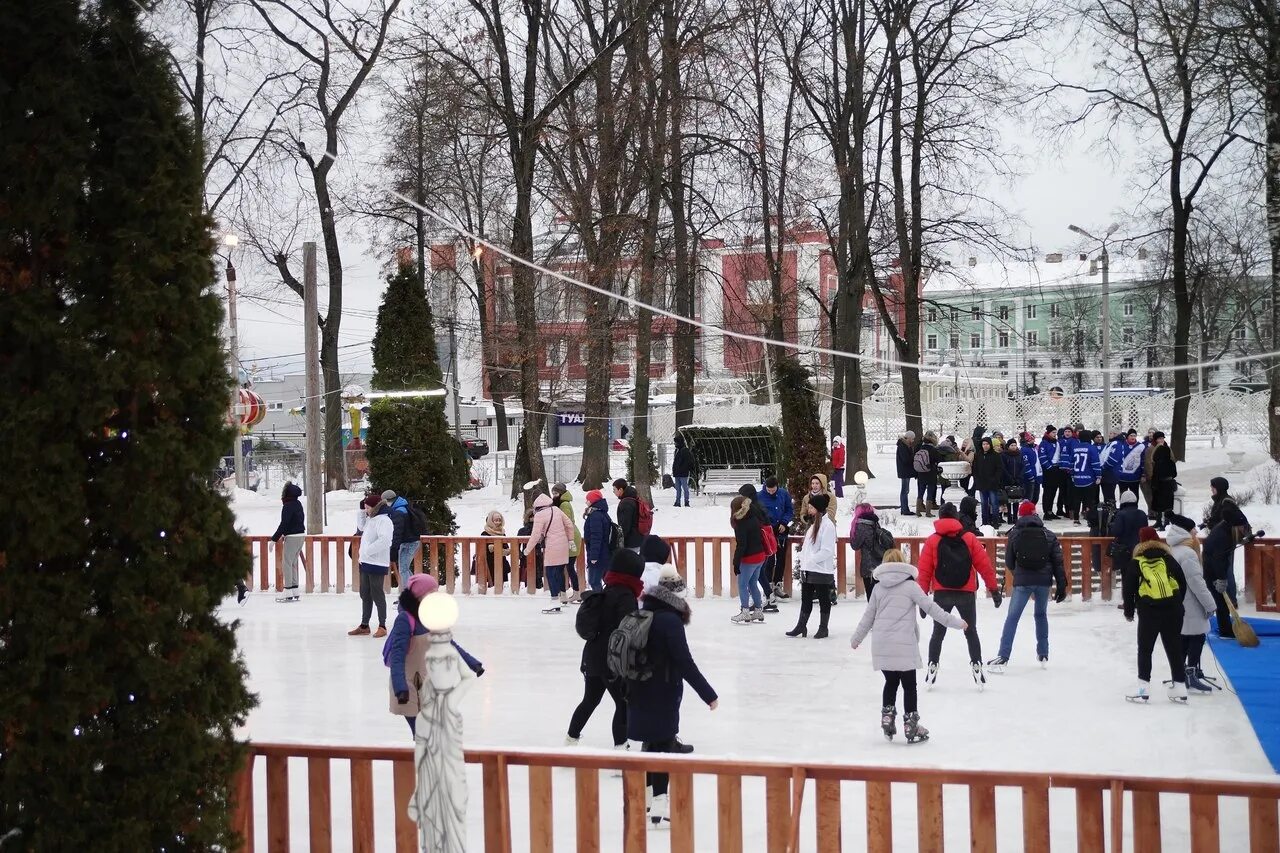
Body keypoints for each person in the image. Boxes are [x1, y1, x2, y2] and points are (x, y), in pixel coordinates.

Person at [627, 566, 718, 827]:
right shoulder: (670, 621)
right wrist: (708, 694)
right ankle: (658, 804)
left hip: (638, 688)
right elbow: (683, 662)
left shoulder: (642, 612)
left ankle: (646, 801)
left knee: (650, 744)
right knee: (663, 746)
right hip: (662, 691)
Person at [850, 548, 968, 743]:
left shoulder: (878, 589)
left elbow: (868, 617)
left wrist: (856, 639)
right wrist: (956, 622)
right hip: (904, 644)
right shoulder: (911, 587)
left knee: (891, 682)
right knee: (909, 685)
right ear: (902, 563)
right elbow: (932, 609)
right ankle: (911, 725)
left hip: (883, 645)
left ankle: (887, 718)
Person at [387, 573, 484, 736]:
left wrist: (472, 663)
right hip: (407, 687)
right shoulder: (405, 620)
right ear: (419, 596)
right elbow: (397, 656)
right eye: (432, 593)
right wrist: (400, 687)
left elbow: (450, 644)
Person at [916, 504, 1001, 687]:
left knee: (938, 633)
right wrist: (993, 589)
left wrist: (922, 599)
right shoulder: (969, 538)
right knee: (971, 631)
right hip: (966, 593)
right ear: (956, 518)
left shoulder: (933, 541)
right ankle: (977, 665)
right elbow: (984, 566)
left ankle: (933, 665)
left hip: (942, 592)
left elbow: (924, 571)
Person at [566, 549, 643, 749]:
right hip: (612, 661)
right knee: (623, 703)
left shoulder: (605, 590)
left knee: (590, 700)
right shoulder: (626, 596)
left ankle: (570, 739)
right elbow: (628, 631)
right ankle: (620, 748)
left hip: (592, 657)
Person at [987, 501, 1067, 672]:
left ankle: (1004, 655)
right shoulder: (1049, 535)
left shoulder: (1015, 534)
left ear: (1021, 515)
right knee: (1040, 615)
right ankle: (1043, 652)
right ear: (1035, 514)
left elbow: (1009, 561)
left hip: (1023, 581)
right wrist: (1061, 585)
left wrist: (1019, 574)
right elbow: (1058, 562)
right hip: (1044, 582)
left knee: (1013, 617)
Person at [1124, 527, 1189, 702]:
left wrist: (1129, 612)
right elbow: (1182, 582)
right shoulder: (1168, 558)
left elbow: (1128, 590)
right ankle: (1180, 688)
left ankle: (1143, 689)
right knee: (1174, 647)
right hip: (1173, 609)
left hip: (1149, 610)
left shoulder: (1136, 561)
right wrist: (1177, 602)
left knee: (1145, 649)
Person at [1164, 514, 1220, 693]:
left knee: (1183, 639)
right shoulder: (1188, 553)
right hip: (1190, 602)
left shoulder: (1172, 549)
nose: (1196, 531)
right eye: (1193, 528)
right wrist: (1210, 604)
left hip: (1177, 601)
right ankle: (1190, 674)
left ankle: (1179, 675)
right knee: (1197, 636)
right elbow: (1196, 582)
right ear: (1186, 531)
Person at [1201, 477, 1250, 638]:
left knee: (1226, 573)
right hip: (1214, 552)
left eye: (1213, 487)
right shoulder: (1221, 506)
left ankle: (1230, 601)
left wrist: (1221, 579)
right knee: (1219, 584)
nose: (1211, 490)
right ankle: (1223, 622)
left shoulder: (1226, 503)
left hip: (1219, 550)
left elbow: (1236, 519)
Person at [786, 493, 837, 638]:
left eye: (811, 507)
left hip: (820, 569)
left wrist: (812, 560)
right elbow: (808, 547)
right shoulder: (814, 524)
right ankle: (801, 626)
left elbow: (827, 550)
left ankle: (823, 628)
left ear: (818, 509)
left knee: (823, 599)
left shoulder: (828, 526)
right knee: (806, 599)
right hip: (808, 569)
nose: (808, 509)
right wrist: (804, 560)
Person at [525, 492, 579, 611]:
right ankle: (561, 597)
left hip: (552, 546)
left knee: (550, 572)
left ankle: (554, 600)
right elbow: (569, 525)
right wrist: (570, 540)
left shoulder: (539, 515)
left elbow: (535, 535)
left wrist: (528, 549)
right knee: (559, 571)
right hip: (564, 545)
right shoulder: (556, 509)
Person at [350, 496, 393, 637]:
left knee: (377, 593)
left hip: (377, 562)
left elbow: (385, 540)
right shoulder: (371, 519)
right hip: (366, 562)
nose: (366, 510)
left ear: (375, 507)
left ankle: (382, 625)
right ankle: (364, 625)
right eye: (365, 508)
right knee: (365, 593)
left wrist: (368, 551)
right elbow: (361, 527)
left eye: (368, 507)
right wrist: (362, 510)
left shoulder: (384, 520)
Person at [730, 494, 769, 623]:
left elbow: (742, 545)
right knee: (753, 583)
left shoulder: (740, 523)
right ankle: (758, 611)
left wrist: (736, 563)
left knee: (742, 585)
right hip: (760, 556)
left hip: (749, 558)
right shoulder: (753, 517)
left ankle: (745, 611)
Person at [757, 476, 795, 604]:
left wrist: (784, 523)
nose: (771, 492)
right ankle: (767, 587)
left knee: (781, 558)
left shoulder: (783, 494)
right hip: (768, 533)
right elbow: (758, 514)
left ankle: (778, 585)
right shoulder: (759, 496)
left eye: (773, 490)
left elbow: (790, 510)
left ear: (777, 487)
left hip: (781, 532)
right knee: (769, 560)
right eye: (769, 490)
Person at [271, 482, 307, 602]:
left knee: (287, 563)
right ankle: (295, 589)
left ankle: (287, 590)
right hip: (301, 535)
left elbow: (284, 524)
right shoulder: (298, 504)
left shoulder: (287, 506)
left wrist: (274, 538)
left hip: (292, 537)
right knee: (293, 562)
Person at [850, 502, 891, 599]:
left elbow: (855, 545)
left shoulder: (861, 526)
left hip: (869, 567)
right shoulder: (874, 522)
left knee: (872, 598)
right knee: (882, 597)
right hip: (881, 564)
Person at [1109, 491, 1149, 592]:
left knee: (1127, 576)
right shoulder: (1142, 514)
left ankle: (1128, 601)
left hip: (1125, 550)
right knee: (1140, 574)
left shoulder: (1121, 514)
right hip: (1140, 549)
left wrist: (1111, 526)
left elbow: (1116, 531)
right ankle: (1140, 598)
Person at [553, 483, 584, 597]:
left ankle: (564, 594)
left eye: (556, 493)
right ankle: (575, 592)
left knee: (561, 568)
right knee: (568, 567)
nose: (554, 495)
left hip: (569, 538)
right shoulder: (564, 503)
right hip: (570, 537)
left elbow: (566, 523)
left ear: (561, 493)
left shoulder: (564, 504)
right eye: (553, 493)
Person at [582, 489, 613, 592]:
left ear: (593, 501)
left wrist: (593, 556)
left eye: (588, 499)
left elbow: (596, 537)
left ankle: (600, 603)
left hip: (598, 554)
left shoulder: (595, 516)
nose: (586, 501)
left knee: (594, 581)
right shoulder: (602, 513)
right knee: (601, 580)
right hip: (604, 553)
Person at [1068, 429, 1102, 525]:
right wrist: (1098, 476)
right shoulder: (1092, 448)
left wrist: (1072, 474)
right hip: (1089, 479)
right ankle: (1089, 519)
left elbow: (1071, 463)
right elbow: (1095, 463)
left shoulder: (1075, 448)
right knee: (1089, 500)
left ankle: (1076, 519)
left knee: (1077, 499)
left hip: (1077, 479)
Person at [383, 489, 417, 580]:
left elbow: (397, 533)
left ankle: (410, 592)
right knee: (405, 568)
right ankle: (415, 588)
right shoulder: (402, 506)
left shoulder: (399, 512)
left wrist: (393, 550)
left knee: (403, 570)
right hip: (410, 541)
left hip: (408, 542)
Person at [474, 510, 511, 593]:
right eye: (496, 520)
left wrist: (506, 551)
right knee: (490, 583)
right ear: (491, 521)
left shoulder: (502, 533)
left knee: (500, 582)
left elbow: (506, 546)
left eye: (499, 520)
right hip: (490, 562)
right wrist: (493, 548)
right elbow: (483, 548)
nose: (498, 522)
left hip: (501, 561)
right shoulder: (485, 533)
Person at [971, 436, 1003, 527]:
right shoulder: (978, 455)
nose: (985, 446)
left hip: (992, 484)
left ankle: (995, 522)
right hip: (982, 484)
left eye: (987, 444)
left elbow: (999, 469)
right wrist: (976, 480)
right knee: (984, 504)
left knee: (994, 503)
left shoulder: (995, 456)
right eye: (983, 444)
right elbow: (975, 469)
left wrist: (995, 479)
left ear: (990, 445)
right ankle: (985, 522)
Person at [1149, 432, 1177, 529]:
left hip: (1160, 483)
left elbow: (1156, 471)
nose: (1161, 440)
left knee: (1160, 504)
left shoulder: (1160, 460)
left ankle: (1162, 522)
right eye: (1159, 438)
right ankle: (1163, 521)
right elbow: (1174, 473)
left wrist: (1154, 483)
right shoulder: (1152, 449)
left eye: (1162, 438)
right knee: (1166, 503)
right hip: (1165, 483)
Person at [1113, 429, 1146, 504]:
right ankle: (1122, 512)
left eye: (1134, 435)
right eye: (1131, 435)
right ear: (1127, 436)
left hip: (1135, 477)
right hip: (1122, 477)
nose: (1133, 437)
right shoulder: (1121, 445)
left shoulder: (1141, 446)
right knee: (1122, 495)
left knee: (1135, 496)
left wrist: (1143, 474)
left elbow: (1143, 461)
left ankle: (1134, 511)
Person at [613, 479, 647, 551]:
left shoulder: (626, 503)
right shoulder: (633, 498)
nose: (613, 492)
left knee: (628, 561)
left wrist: (619, 539)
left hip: (630, 542)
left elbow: (625, 525)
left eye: (614, 489)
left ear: (620, 490)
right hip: (638, 539)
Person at [1037, 426, 1062, 520]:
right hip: (1049, 470)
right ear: (1048, 433)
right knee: (1048, 492)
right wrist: (1049, 467)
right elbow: (1042, 457)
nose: (1055, 434)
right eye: (1053, 433)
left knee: (1053, 491)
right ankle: (1046, 512)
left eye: (1055, 433)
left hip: (1057, 469)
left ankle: (1050, 511)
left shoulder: (1057, 443)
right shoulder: (1044, 443)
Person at [1054, 427, 1079, 520]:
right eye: (1066, 431)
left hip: (1070, 470)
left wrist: (1071, 467)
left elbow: (1074, 455)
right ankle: (1060, 509)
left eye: (1069, 431)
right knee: (1062, 491)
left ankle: (1070, 510)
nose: (1067, 433)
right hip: (1060, 469)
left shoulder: (1074, 442)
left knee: (1070, 491)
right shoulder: (1059, 441)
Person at [1000, 439, 1026, 525]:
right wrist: (1010, 477)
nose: (1014, 447)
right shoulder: (1004, 455)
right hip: (1007, 480)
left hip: (1018, 480)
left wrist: (1019, 477)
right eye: (1012, 445)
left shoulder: (1019, 454)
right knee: (1008, 500)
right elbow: (1003, 468)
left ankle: (1015, 516)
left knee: (1016, 499)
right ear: (1008, 446)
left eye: (1015, 445)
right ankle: (1009, 517)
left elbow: (1023, 466)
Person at [517, 508, 543, 591]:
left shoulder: (541, 529)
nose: (533, 518)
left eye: (534, 516)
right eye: (531, 516)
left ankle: (538, 590)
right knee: (527, 576)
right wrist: (520, 554)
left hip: (538, 555)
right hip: (526, 556)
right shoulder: (522, 530)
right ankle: (529, 590)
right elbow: (517, 545)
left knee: (538, 576)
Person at [896, 431, 918, 515]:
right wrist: (913, 458)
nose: (912, 441)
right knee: (905, 490)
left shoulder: (903, 445)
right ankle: (904, 509)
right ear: (908, 438)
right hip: (904, 471)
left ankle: (905, 508)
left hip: (904, 470)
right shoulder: (903, 446)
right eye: (912, 439)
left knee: (905, 490)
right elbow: (905, 459)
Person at [1019, 432, 1043, 507]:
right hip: (1029, 477)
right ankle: (1027, 512)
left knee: (1035, 496)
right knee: (1029, 496)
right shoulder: (1024, 449)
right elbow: (1026, 464)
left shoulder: (1034, 448)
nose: (1033, 440)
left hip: (1037, 476)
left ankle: (1032, 510)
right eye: (1031, 438)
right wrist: (1030, 475)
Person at [671, 435, 694, 507]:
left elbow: (688, 461)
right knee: (678, 488)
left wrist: (683, 469)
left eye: (676, 442)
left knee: (684, 488)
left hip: (682, 473)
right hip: (677, 473)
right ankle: (678, 502)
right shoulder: (677, 450)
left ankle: (686, 501)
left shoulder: (684, 450)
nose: (675, 444)